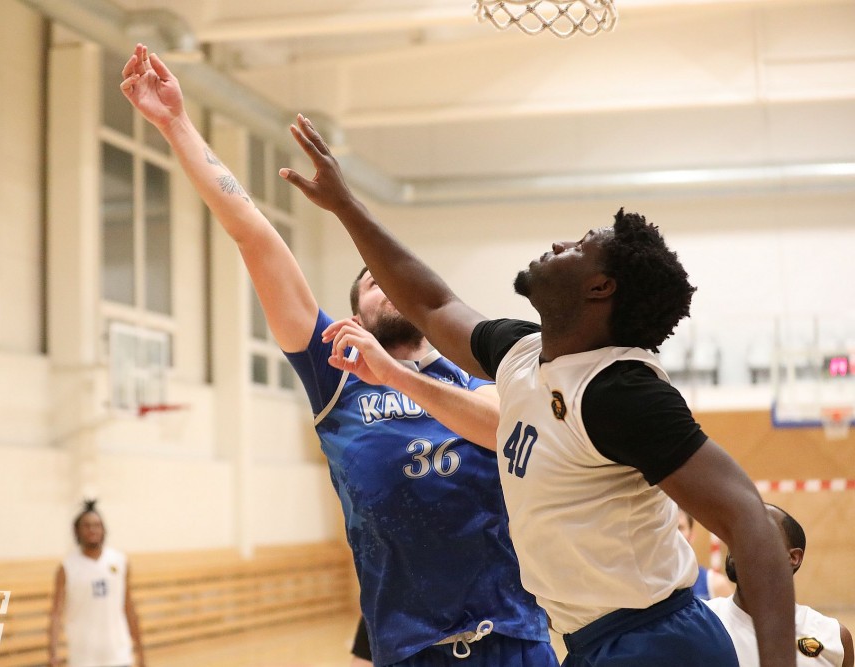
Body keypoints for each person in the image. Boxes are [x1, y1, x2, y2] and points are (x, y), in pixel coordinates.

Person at [279, 114, 798, 667]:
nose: (558, 243)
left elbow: (751, 520)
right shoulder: (522, 352)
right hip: (589, 643)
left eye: (579, 246)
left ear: (599, 287)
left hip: (657, 639)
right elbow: (432, 304)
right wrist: (345, 206)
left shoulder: (620, 390)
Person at [120, 44, 557, 667]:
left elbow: (501, 427)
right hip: (409, 648)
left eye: (395, 277)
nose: (387, 284)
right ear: (354, 320)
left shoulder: (472, 374)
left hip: (510, 639)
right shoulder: (336, 373)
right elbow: (253, 235)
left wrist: (400, 377)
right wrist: (176, 124)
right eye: (372, 282)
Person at [706, 504, 854, 667]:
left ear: (793, 557)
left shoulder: (834, 638)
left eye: (757, 531)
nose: (739, 538)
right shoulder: (698, 622)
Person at [48, 500, 146, 667]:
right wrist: (52, 652)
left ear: (103, 529)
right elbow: (56, 613)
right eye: (86, 526)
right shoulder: (67, 568)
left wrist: (140, 651)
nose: (92, 530)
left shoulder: (120, 561)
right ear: (77, 531)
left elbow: (129, 607)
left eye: (97, 525)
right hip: (84, 658)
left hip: (119, 656)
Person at [678, 509, 735, 600]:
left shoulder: (716, 584)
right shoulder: (655, 587)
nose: (674, 534)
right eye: (670, 529)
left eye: (679, 528)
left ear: (691, 535)